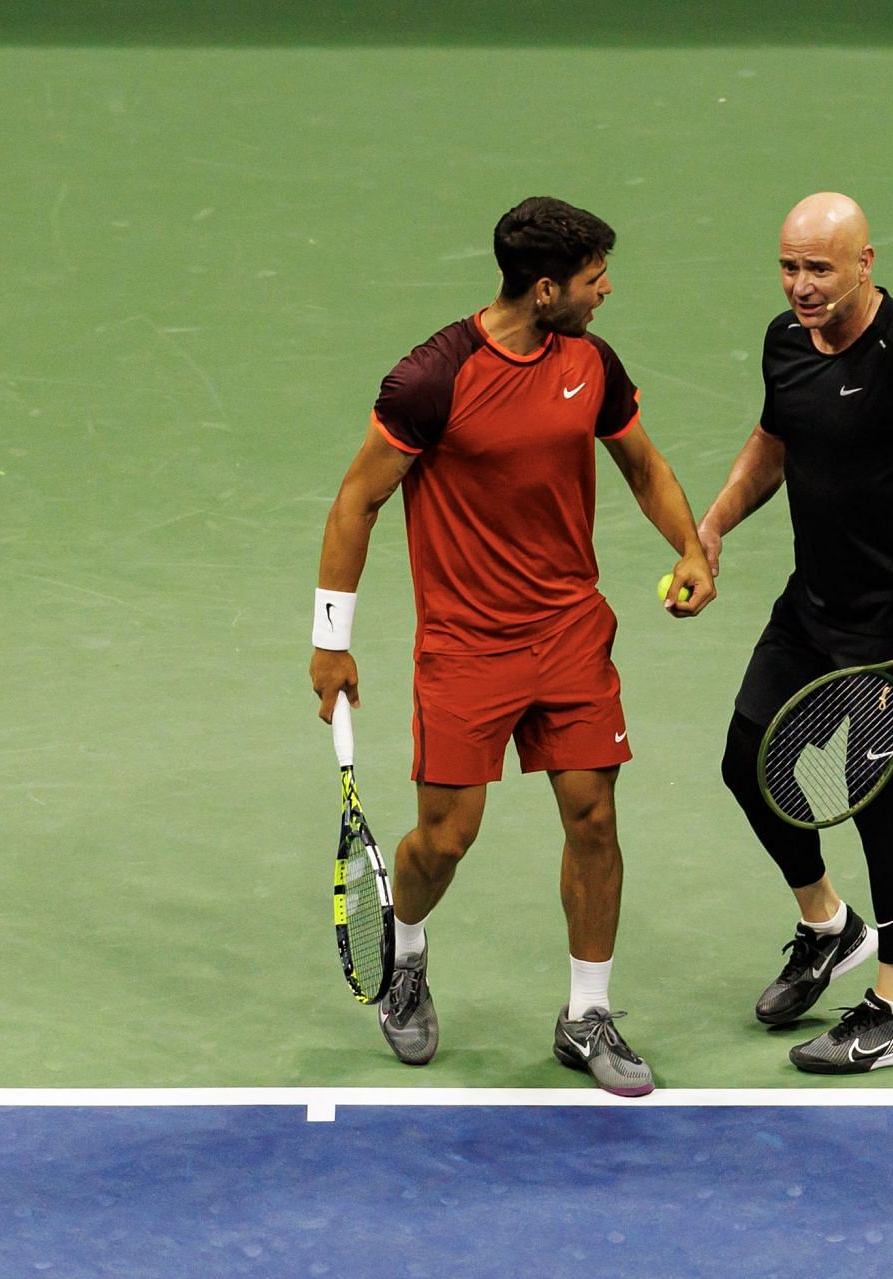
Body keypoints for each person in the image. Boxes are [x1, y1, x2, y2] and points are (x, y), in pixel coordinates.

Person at [309, 197, 714, 1097]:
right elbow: (356, 502)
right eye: (592, 279)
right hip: (466, 645)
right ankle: (406, 950)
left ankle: (586, 1015)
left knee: (594, 817)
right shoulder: (432, 379)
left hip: (570, 631)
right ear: (544, 290)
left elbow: (640, 463)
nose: (606, 290)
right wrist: (330, 642)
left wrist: (689, 546)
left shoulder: (589, 362)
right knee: (444, 841)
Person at [696, 192, 893, 1074]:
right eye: (790, 267)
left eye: (820, 269)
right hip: (815, 600)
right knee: (746, 761)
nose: (802, 286)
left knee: (879, 802)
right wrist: (712, 528)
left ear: (866, 262)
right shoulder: (785, 342)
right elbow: (773, 440)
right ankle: (829, 924)